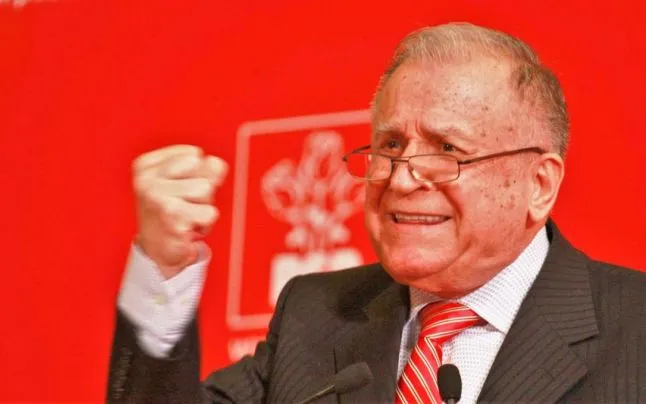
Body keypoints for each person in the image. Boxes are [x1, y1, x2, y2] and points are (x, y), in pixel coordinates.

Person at [107, 22, 646, 403]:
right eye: (390, 145)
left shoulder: (635, 329)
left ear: (539, 184)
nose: (401, 177)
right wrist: (164, 268)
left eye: (447, 150)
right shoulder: (315, 316)